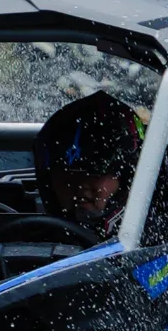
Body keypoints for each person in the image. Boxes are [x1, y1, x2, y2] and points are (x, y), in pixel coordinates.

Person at [33, 89, 144, 237]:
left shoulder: (158, 239)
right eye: (67, 172)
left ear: (126, 178)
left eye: (95, 172)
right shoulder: (28, 238)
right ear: (48, 179)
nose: (81, 184)